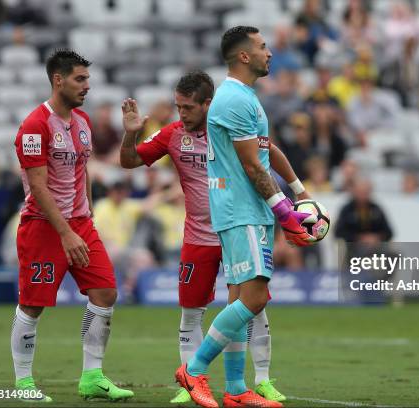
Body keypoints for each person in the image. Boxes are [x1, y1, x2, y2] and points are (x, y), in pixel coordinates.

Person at [119, 70, 288, 404]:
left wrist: (293, 197)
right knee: (191, 310)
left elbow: (268, 157)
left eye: (188, 107)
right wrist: (130, 136)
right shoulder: (173, 135)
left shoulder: (230, 128)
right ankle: (192, 381)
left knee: (252, 305)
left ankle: (263, 380)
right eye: (178, 106)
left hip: (238, 226)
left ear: (208, 104)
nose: (181, 113)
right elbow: (129, 160)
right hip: (199, 236)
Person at [175, 26, 315, 408]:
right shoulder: (235, 100)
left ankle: (236, 389)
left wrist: (298, 191)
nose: (269, 52)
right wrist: (285, 212)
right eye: (263, 46)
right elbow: (253, 166)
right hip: (242, 210)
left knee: (239, 297)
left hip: (243, 209)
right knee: (255, 297)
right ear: (244, 56)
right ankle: (195, 369)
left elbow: (266, 152)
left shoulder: (243, 98)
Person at [11, 49, 133, 402]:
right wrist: (65, 232)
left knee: (106, 292)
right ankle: (22, 384)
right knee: (33, 304)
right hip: (44, 226)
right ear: (58, 80)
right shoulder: (35, 125)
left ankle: (92, 377)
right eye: (80, 79)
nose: (87, 86)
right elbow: (37, 186)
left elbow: (83, 172)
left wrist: (88, 214)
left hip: (80, 223)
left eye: (88, 79)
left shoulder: (82, 122)